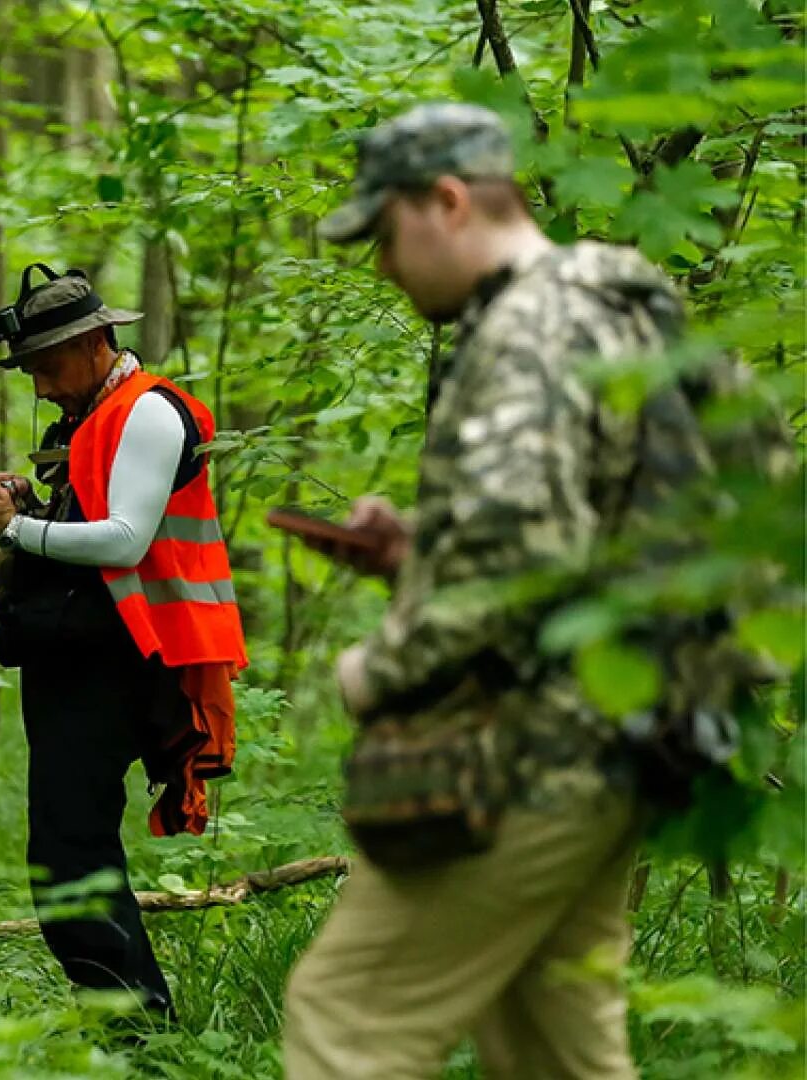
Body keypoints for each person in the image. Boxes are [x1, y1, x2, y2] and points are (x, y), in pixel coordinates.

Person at [282, 103, 696, 1078]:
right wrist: (421, 545)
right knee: (553, 1042)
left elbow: (516, 552)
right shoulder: (602, 306)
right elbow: (585, 528)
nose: (383, 264)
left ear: (449, 201)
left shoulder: (524, 331)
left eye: (385, 235)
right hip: (624, 733)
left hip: (534, 746)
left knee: (347, 1022)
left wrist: (378, 671)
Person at [0, 264, 248, 1020]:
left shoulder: (148, 412)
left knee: (70, 856)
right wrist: (27, 498)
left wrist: (12, 528)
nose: (40, 386)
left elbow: (123, 541)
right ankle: (130, 1027)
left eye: (47, 366)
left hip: (125, 660)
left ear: (94, 342)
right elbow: (88, 517)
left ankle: (140, 1035)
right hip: (76, 657)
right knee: (66, 851)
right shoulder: (93, 413)